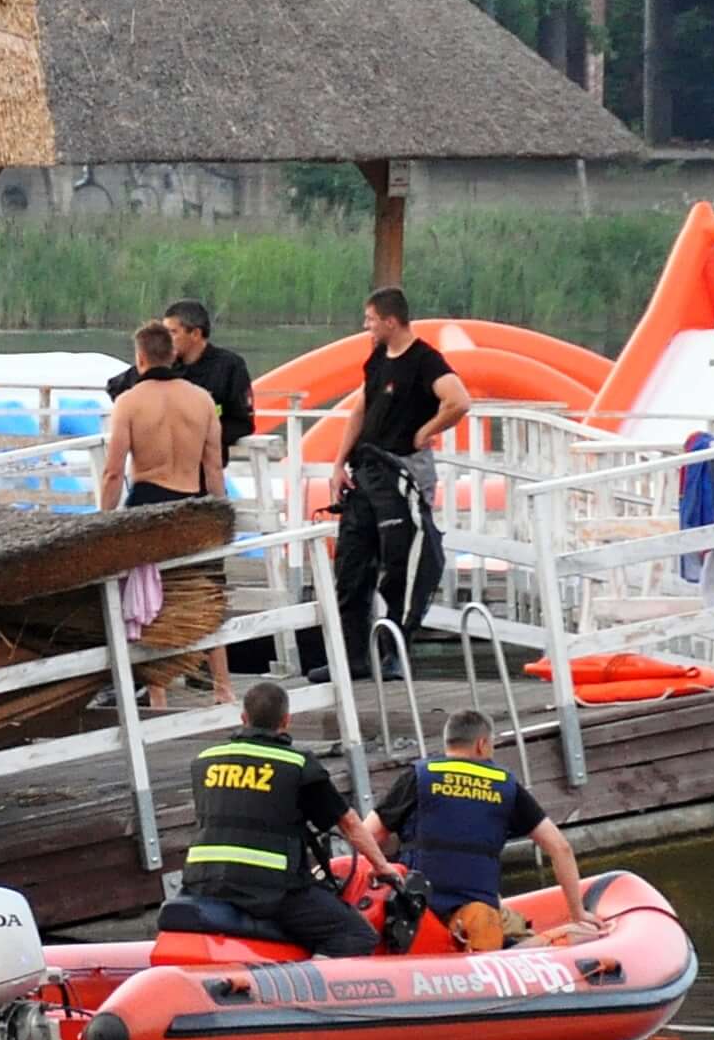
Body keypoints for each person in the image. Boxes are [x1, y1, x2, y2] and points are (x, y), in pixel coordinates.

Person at [176, 680, 390, 958]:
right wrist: (382, 866)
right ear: (286, 720)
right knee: (356, 935)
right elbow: (348, 824)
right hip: (270, 890)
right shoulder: (297, 765)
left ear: (244, 718)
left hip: (202, 882)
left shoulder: (204, 761)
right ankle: (311, 988)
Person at [377, 710, 596, 951]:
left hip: (413, 908)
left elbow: (368, 835)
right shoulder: (504, 785)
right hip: (474, 913)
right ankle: (552, 939)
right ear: (482, 745)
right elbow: (560, 848)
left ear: (448, 742)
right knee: (505, 927)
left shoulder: (418, 776)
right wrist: (578, 912)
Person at [330, 287, 468, 674]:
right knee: (352, 566)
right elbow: (361, 408)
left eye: (370, 320)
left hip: (402, 472)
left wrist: (427, 430)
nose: (366, 327)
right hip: (367, 471)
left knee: (402, 563)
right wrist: (339, 462)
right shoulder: (377, 358)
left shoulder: (424, 361)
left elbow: (458, 400)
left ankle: (396, 653)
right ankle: (353, 659)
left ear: (390, 321)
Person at [105, 298, 255, 462]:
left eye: (172, 332)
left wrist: (194, 436)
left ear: (195, 334)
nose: (166, 340)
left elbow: (243, 424)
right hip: (158, 462)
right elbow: (115, 388)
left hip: (203, 464)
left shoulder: (230, 367)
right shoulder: (161, 363)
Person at [99, 324, 225, 510]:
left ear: (140, 358)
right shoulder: (203, 399)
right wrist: (219, 515)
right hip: (191, 503)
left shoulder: (128, 403)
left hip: (146, 502)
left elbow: (113, 473)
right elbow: (213, 468)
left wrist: (103, 520)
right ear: (173, 355)